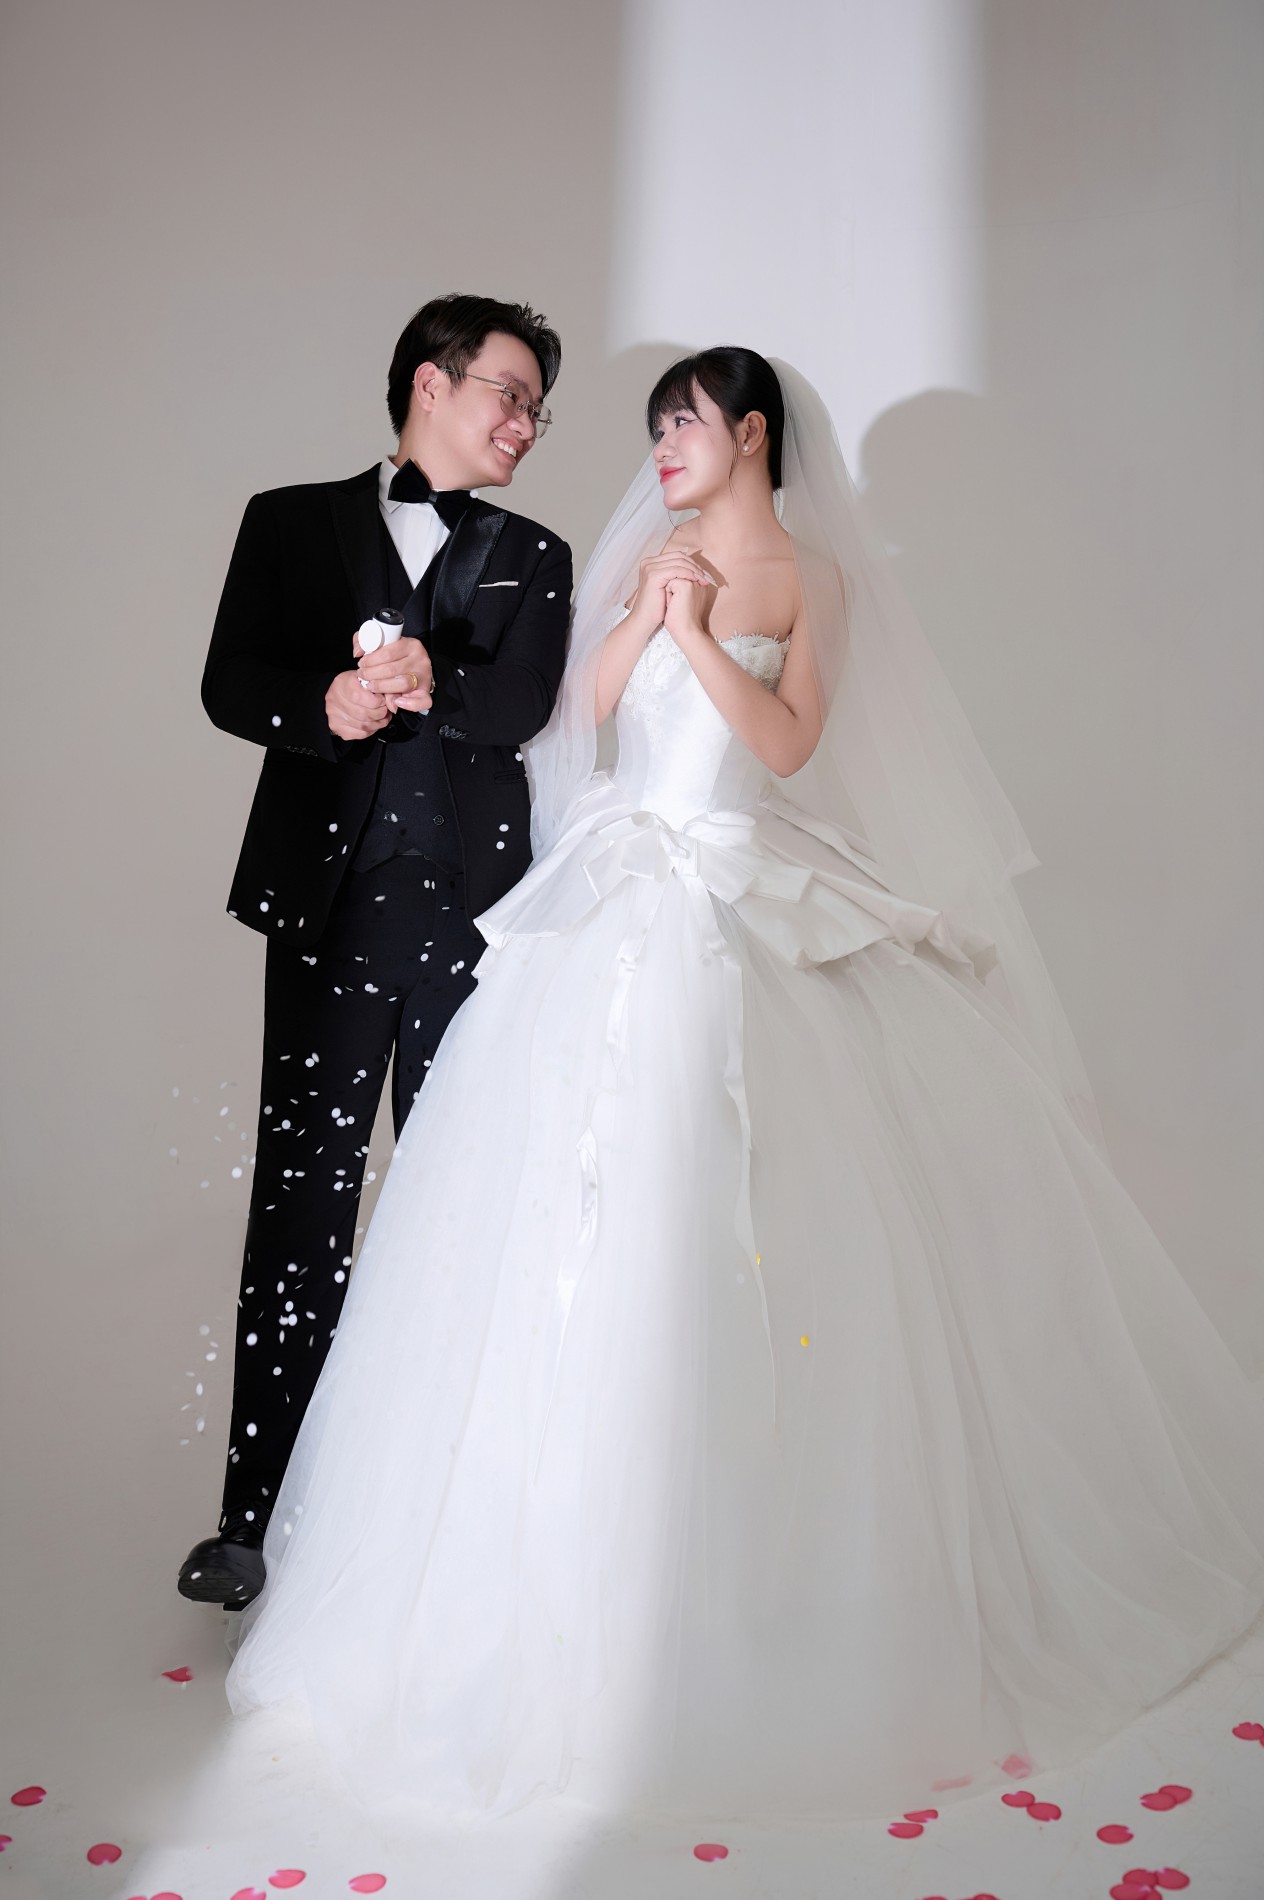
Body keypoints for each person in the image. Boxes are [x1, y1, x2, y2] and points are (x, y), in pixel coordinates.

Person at [224, 348, 1264, 1822]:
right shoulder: (643, 554)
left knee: (767, 1202)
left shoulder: (809, 578)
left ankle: (775, 1565)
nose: (658, 448)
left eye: (684, 425)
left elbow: (784, 743)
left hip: (734, 879)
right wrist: (642, 613)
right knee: (560, 1213)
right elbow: (577, 718)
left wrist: (700, 633)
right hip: (616, 889)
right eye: (653, 427)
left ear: (753, 434)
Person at [178, 294, 573, 1613]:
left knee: (465, 1210)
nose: (526, 425)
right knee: (302, 1207)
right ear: (429, 384)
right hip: (332, 912)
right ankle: (253, 1522)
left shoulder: (538, 554)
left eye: (537, 409)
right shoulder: (289, 521)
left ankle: (450, 1528)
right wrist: (326, 703)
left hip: (478, 925)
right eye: (509, 393)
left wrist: (432, 682)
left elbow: (524, 704)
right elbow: (230, 681)